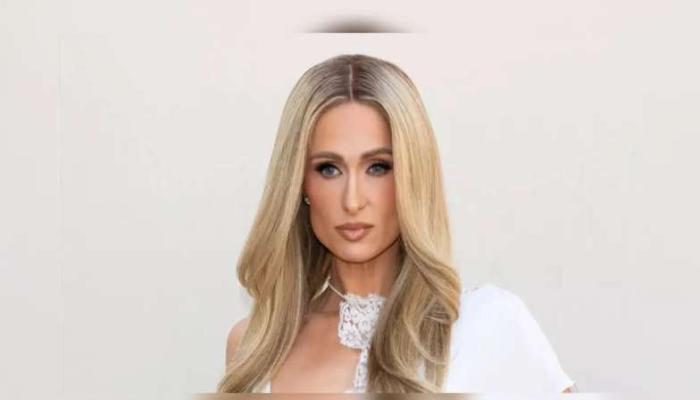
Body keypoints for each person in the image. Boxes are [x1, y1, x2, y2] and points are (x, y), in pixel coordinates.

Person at [217, 54, 576, 393]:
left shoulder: (487, 325)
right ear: (299, 184)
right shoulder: (254, 347)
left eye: (378, 167)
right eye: (328, 169)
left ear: (412, 176)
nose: (353, 201)